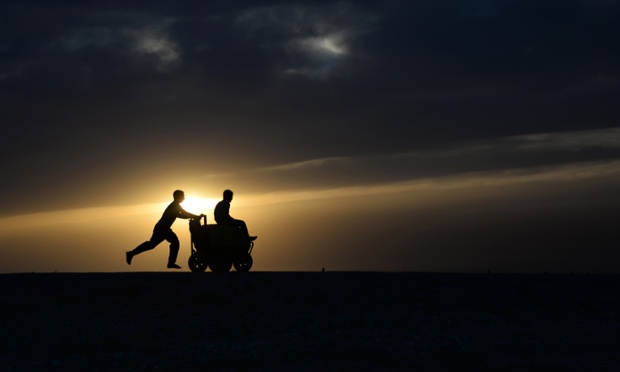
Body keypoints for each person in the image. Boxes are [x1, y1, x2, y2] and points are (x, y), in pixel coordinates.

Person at [126, 190, 204, 269]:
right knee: (174, 242)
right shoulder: (174, 205)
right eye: (183, 196)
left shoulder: (176, 205)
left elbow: (183, 214)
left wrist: (195, 216)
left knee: (152, 245)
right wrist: (196, 217)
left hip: (162, 228)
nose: (184, 197)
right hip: (162, 228)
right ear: (178, 197)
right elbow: (184, 214)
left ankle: (131, 253)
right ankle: (171, 263)